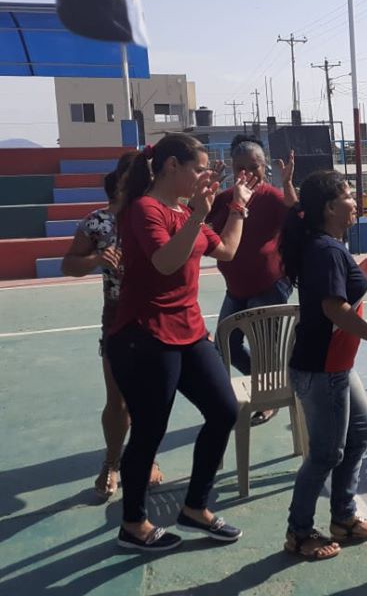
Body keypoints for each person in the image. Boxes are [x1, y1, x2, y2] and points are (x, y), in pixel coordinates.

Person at [105, 134, 254, 552]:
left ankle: (194, 507)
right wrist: (197, 216)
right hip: (144, 337)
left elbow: (226, 250)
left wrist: (238, 205)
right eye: (198, 169)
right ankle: (133, 523)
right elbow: (166, 262)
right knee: (150, 429)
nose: (204, 177)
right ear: (172, 166)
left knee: (224, 410)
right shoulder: (145, 210)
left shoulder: (183, 212)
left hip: (188, 331)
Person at [279, 170, 367, 562]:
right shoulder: (326, 250)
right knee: (326, 454)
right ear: (331, 207)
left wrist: (359, 274)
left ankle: (343, 518)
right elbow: (334, 308)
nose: (354, 201)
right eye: (348, 195)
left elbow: (334, 290)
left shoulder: (329, 248)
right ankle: (298, 532)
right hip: (323, 368)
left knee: (360, 432)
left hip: (337, 366)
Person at [62, 152, 163, 498]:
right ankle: (112, 461)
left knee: (151, 396)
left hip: (157, 313)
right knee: (117, 397)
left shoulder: (157, 214)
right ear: (121, 180)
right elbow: (68, 265)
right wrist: (96, 259)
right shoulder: (98, 223)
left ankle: (147, 457)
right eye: (138, 174)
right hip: (117, 314)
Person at [209, 135, 297, 426]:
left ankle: (269, 399)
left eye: (254, 166)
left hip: (269, 285)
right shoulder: (225, 200)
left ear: (264, 166)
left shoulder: (271, 197)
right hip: (236, 289)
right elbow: (196, 220)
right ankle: (266, 381)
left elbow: (298, 218)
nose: (247, 173)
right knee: (226, 344)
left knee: (264, 346)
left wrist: (287, 184)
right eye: (240, 167)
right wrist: (205, 193)